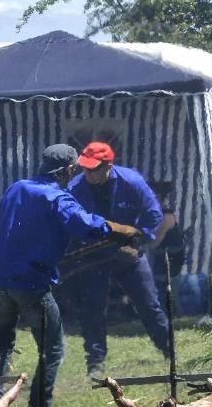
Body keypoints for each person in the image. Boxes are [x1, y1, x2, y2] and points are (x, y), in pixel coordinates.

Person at [0, 144, 140, 407]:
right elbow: (86, 227)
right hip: (32, 286)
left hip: (1, 282)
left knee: (3, 342)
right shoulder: (58, 198)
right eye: (74, 168)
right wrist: (120, 230)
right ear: (68, 169)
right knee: (52, 350)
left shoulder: (16, 188)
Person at [65, 142, 170, 377]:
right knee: (92, 308)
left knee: (148, 303)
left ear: (108, 165)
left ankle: (169, 350)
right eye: (85, 168)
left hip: (128, 251)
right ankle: (96, 361)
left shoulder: (131, 181)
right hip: (93, 254)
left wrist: (138, 239)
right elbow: (68, 220)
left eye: (93, 169)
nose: (88, 173)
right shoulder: (75, 187)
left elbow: (153, 213)